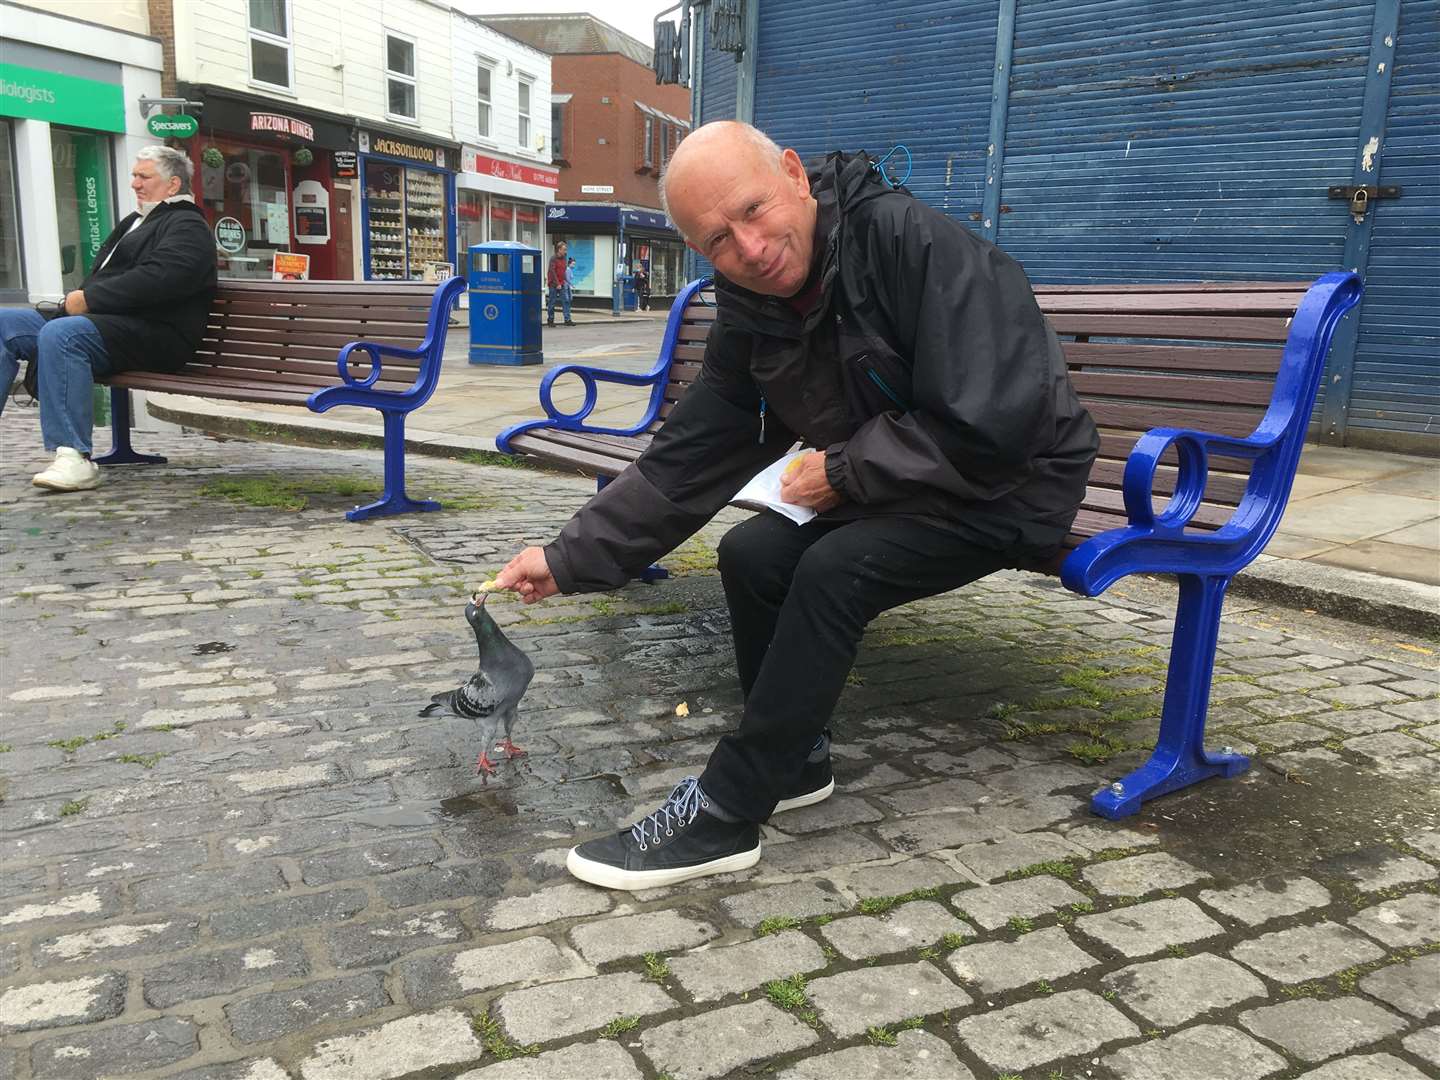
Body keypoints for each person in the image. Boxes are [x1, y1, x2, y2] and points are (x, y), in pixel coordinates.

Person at [495, 121, 1098, 891]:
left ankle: (727, 810)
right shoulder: (754, 305)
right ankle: (798, 755)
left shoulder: (910, 243)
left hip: (1012, 483)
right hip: (911, 484)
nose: (748, 248)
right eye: (717, 240)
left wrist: (845, 470)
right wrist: (568, 557)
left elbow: (996, 422)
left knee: (836, 568)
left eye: (752, 210)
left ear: (793, 175)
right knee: (752, 554)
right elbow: (694, 453)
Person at [0, 146, 217, 492]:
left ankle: (74, 457)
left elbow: (165, 277)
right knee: (4, 323)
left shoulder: (187, 223)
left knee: (64, 334)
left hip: (156, 336)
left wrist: (90, 299)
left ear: (173, 185)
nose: (134, 183)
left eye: (143, 176)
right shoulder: (136, 221)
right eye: (134, 175)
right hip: (108, 327)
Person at [546, 240, 573, 327]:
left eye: (566, 249)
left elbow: (563, 271)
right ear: (559, 250)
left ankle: (567, 320)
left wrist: (568, 282)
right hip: (553, 283)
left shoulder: (564, 258)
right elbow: (552, 271)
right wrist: (557, 283)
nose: (565, 251)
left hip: (562, 282)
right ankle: (550, 320)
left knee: (566, 301)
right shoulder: (553, 258)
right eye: (564, 249)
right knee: (552, 302)